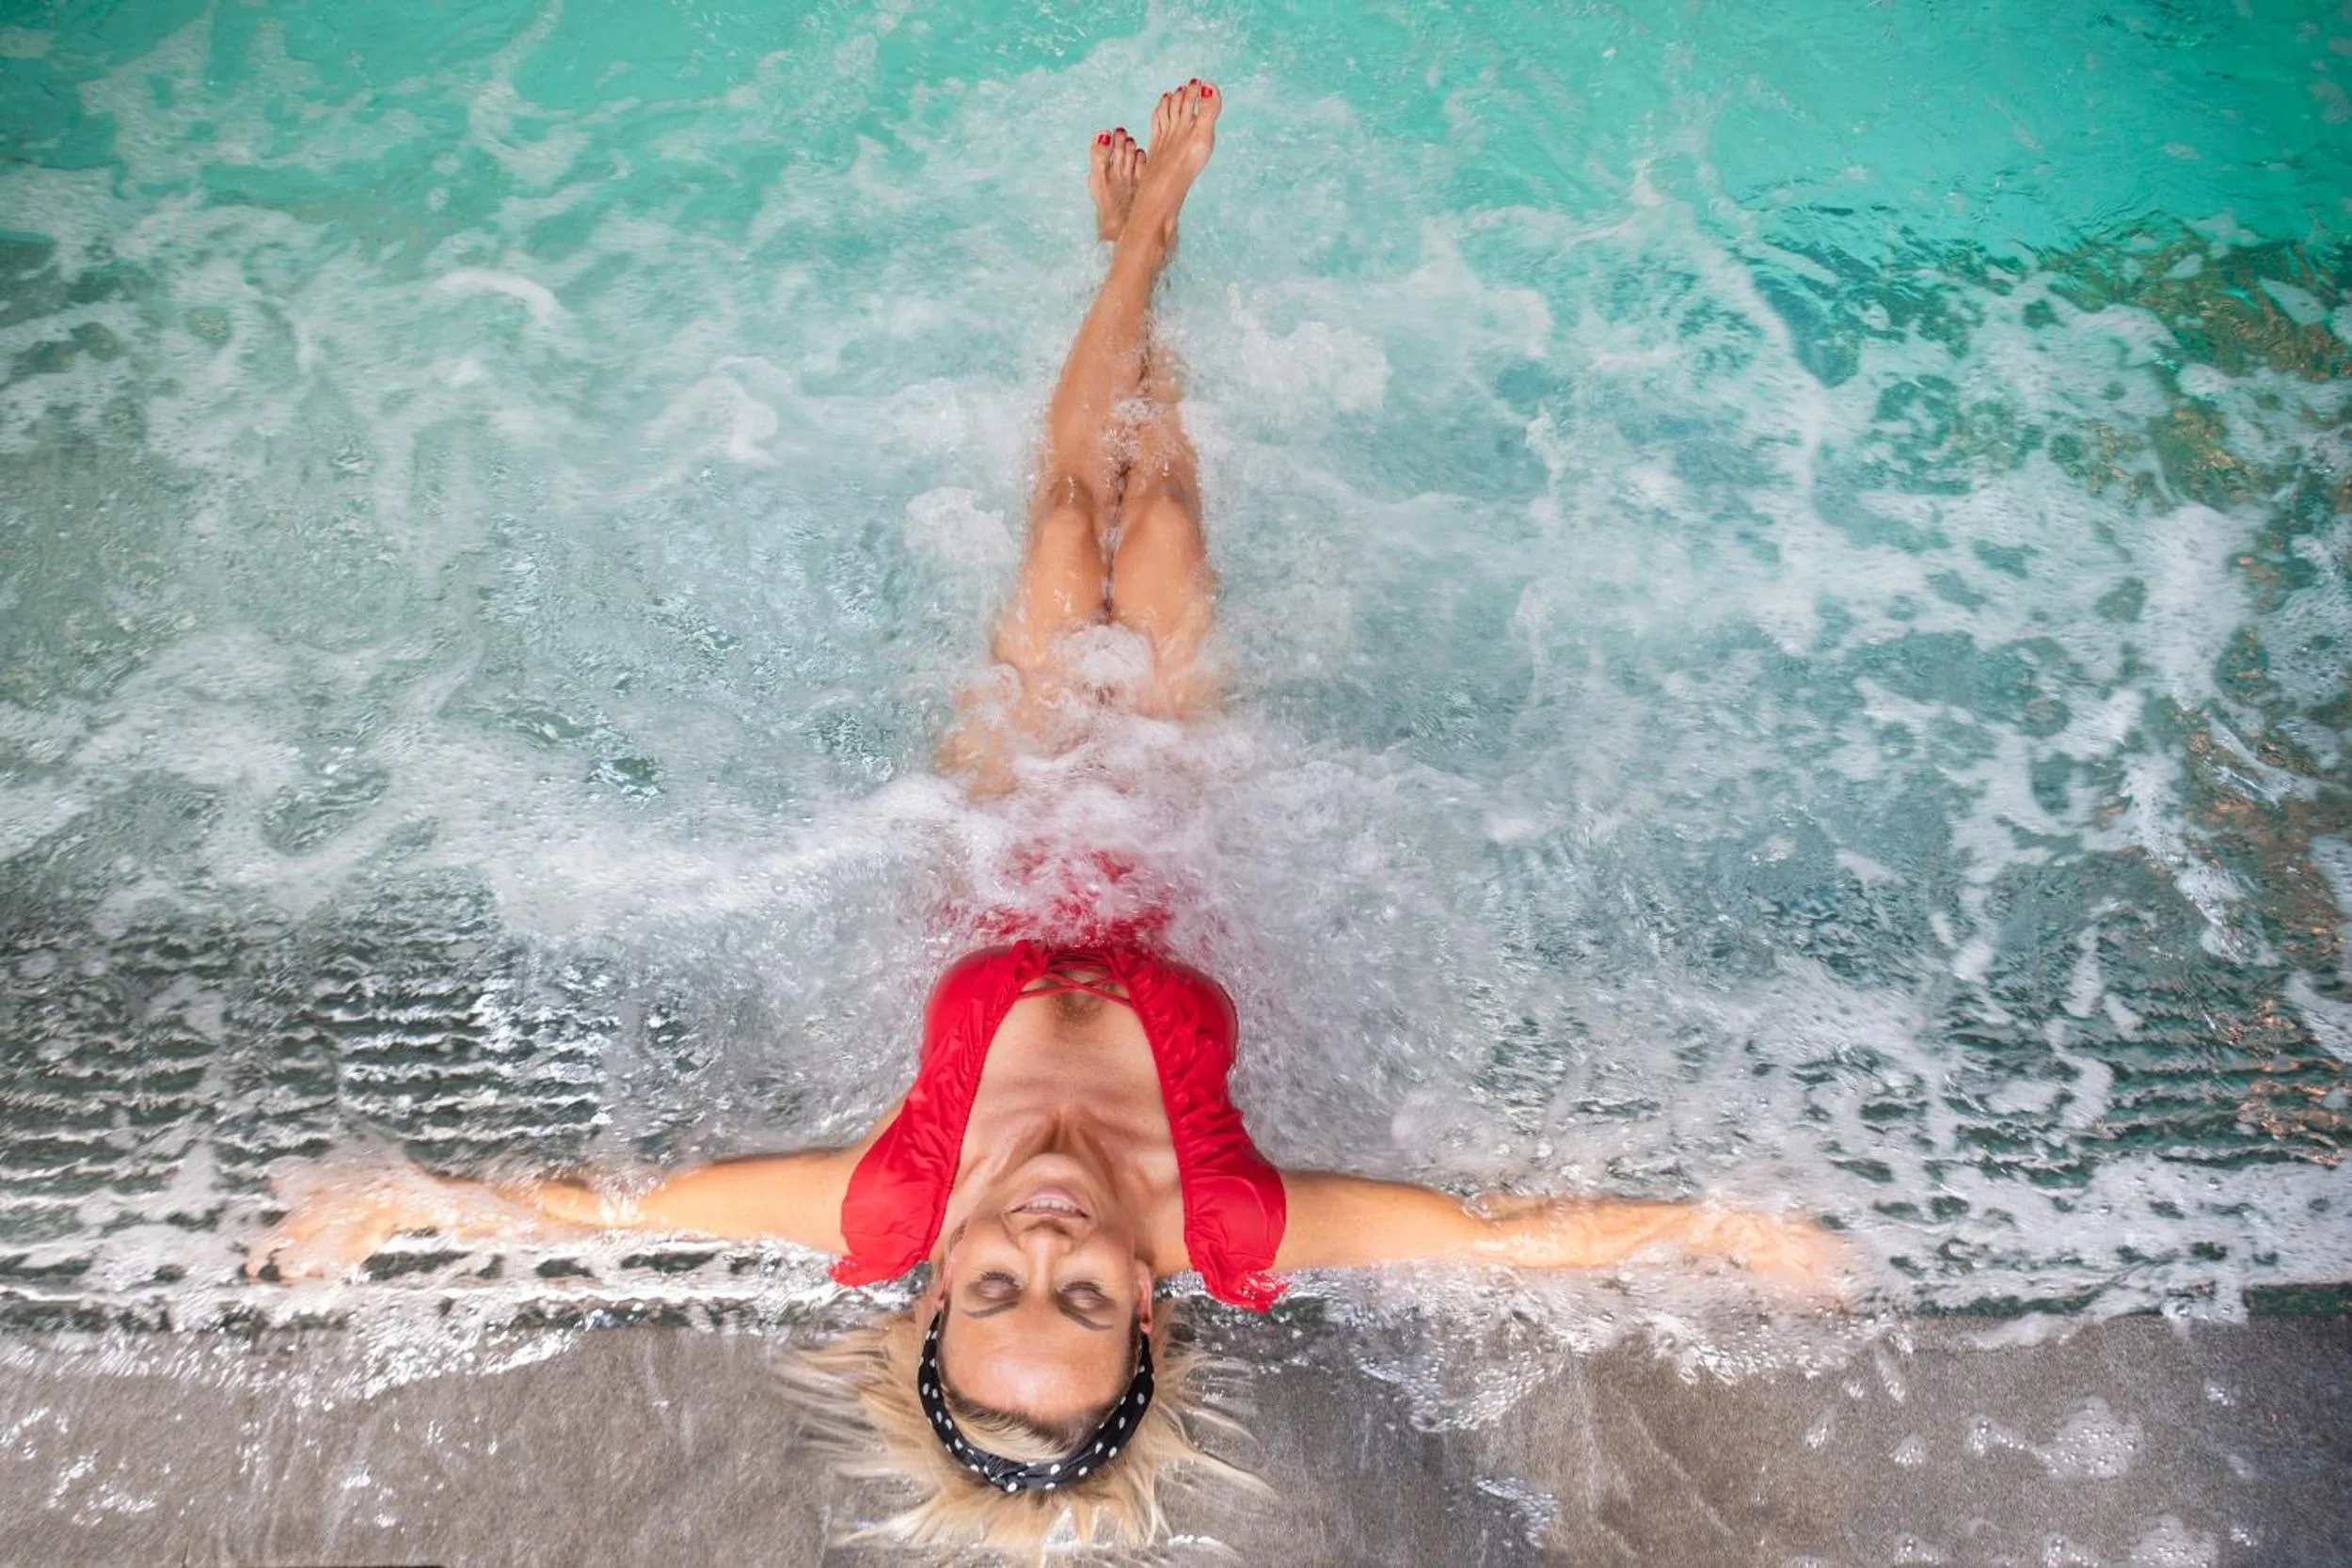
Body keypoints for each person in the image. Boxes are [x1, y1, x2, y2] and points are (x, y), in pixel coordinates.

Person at [249, 79, 1847, 1557]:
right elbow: (1496, 1240)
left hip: (1004, 857)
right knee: (1155, 531)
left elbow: (616, 1212)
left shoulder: (895, 1202)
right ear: (1146, 1313)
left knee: (1060, 530)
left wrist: (398, 1202)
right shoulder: (1222, 1221)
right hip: (1168, 858)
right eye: (1080, 1291)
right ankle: (1147, 282)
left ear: (939, 1290)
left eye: (1001, 1281)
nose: (1043, 1233)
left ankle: (1139, 244)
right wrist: (1733, 1232)